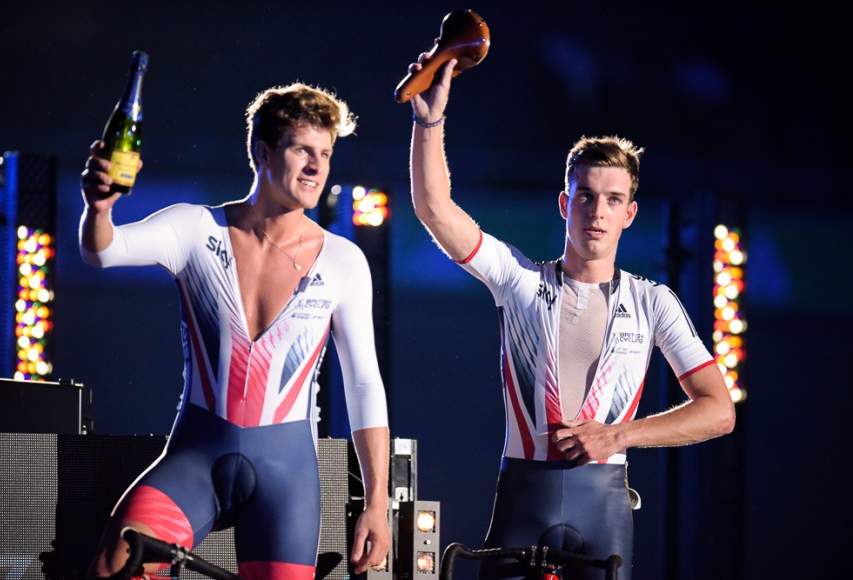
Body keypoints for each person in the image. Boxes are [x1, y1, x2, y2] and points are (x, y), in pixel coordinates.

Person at [406, 57, 736, 580]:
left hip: (604, 511)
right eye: (586, 196)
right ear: (565, 203)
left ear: (629, 213)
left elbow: (719, 412)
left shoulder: (655, 303)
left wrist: (619, 436)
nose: (597, 211)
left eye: (612, 200)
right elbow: (433, 207)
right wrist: (429, 122)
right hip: (521, 500)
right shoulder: (519, 280)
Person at [79, 82, 391, 579]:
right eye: (301, 150)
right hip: (195, 460)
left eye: (325, 153)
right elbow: (102, 251)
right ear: (261, 152)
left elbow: (363, 384)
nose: (316, 167)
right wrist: (100, 207)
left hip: (286, 481)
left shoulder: (344, 261)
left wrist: (378, 501)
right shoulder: (194, 230)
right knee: (115, 568)